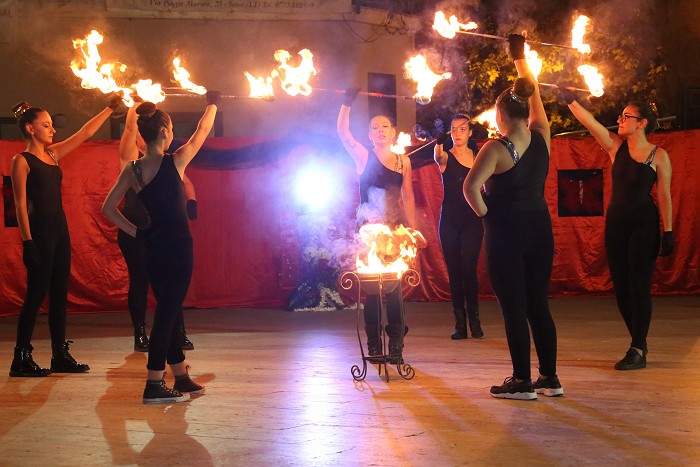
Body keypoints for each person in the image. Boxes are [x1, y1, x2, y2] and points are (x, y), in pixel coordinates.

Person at [102, 91, 219, 404]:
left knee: (170, 310)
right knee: (167, 314)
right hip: (178, 248)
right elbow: (203, 130)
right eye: (172, 128)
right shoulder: (176, 161)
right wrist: (213, 102)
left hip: (153, 248)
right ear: (165, 131)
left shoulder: (133, 169)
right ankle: (154, 382)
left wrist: (136, 232)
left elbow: (108, 209)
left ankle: (179, 375)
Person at [464, 34, 562, 400]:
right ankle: (549, 378)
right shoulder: (542, 135)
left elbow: (470, 189)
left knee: (514, 308)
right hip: (539, 228)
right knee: (538, 305)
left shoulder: (495, 147)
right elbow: (534, 94)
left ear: (501, 115)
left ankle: (522, 381)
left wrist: (487, 216)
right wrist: (520, 58)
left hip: (506, 233)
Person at [558, 88, 673, 371]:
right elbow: (591, 123)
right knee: (621, 288)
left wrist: (668, 232)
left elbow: (664, 195)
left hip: (644, 224)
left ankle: (637, 347)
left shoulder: (658, 155)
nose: (619, 120)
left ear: (641, 122)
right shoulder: (615, 147)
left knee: (639, 286)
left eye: (626, 116)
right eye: (621, 116)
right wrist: (570, 100)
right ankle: (639, 343)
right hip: (617, 224)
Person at [9, 96, 119, 377]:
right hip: (40, 232)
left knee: (59, 293)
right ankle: (20, 358)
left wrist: (110, 107)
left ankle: (60, 354)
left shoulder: (53, 155)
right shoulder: (21, 161)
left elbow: (84, 133)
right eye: (46, 125)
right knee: (36, 294)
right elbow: (20, 205)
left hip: (60, 229)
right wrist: (28, 241)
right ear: (31, 129)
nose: (53, 129)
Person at [337, 88, 419, 364]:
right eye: (375, 127)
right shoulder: (362, 155)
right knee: (371, 293)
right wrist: (347, 102)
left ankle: (396, 345)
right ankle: (373, 344)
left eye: (385, 126)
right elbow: (343, 133)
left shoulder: (403, 161)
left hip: (394, 231)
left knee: (394, 292)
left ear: (393, 133)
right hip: (367, 231)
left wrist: (413, 230)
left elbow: (408, 197)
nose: (380, 130)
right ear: (370, 134)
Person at [117, 100, 198, 352]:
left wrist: (191, 200)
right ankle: (140, 333)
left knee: (171, 282)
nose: (140, 137)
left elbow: (185, 181)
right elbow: (129, 130)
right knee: (140, 279)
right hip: (135, 224)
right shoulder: (131, 163)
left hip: (160, 226)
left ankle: (177, 332)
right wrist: (134, 104)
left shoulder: (168, 162)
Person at [434, 114, 485, 340]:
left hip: (472, 220)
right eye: (453, 129)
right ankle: (460, 324)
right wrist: (438, 142)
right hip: (449, 222)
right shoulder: (445, 156)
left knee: (468, 270)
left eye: (462, 129)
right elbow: (437, 155)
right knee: (454, 272)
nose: (457, 133)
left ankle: (475, 320)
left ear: (470, 132)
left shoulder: (479, 157)